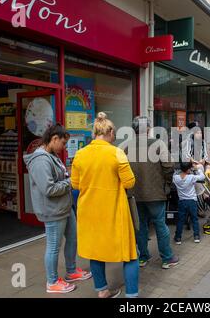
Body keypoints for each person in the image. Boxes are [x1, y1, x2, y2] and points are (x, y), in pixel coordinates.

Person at [71, 112, 138, 298]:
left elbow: (75, 184)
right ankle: (132, 296)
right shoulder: (116, 152)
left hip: (89, 212)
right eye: (114, 134)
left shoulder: (80, 154)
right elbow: (130, 182)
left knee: (96, 252)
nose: (115, 137)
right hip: (114, 211)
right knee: (130, 254)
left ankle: (102, 291)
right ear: (108, 132)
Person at [24, 124, 91, 294]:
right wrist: (71, 182)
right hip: (53, 210)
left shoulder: (51, 155)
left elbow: (58, 178)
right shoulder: (40, 160)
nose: (64, 148)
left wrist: (68, 176)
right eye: (63, 143)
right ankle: (52, 282)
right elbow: (48, 189)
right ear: (54, 139)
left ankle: (71, 271)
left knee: (73, 238)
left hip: (64, 207)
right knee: (54, 246)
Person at [128, 116, 179, 270]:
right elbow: (169, 166)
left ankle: (143, 257)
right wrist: (167, 184)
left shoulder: (125, 146)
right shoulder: (158, 144)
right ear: (148, 129)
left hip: (134, 194)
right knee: (160, 225)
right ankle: (167, 258)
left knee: (140, 225)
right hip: (156, 193)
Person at [173, 161, 205, 244]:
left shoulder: (175, 178)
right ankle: (196, 236)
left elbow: (174, 173)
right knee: (194, 219)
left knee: (180, 220)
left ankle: (178, 238)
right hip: (192, 201)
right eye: (190, 168)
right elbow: (202, 177)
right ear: (188, 169)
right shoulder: (191, 177)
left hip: (182, 201)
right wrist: (197, 169)